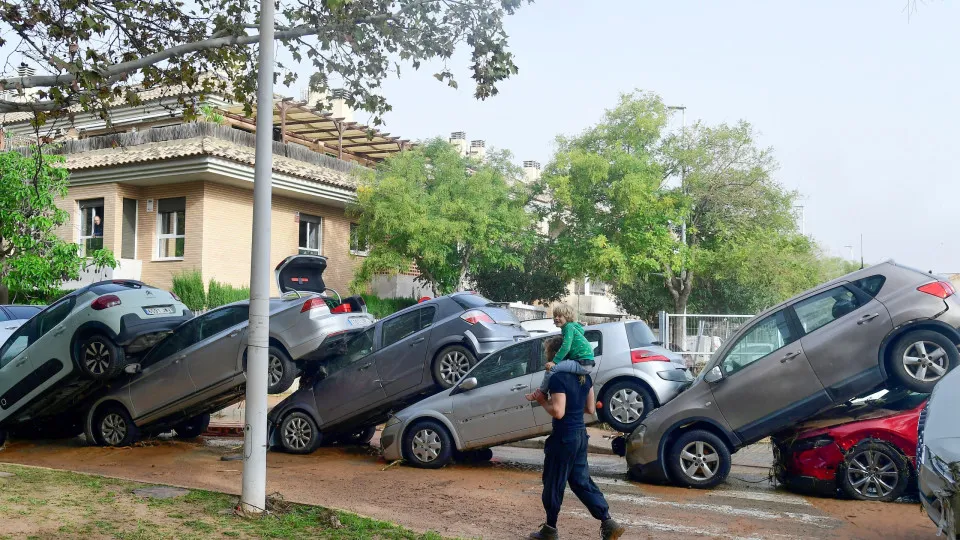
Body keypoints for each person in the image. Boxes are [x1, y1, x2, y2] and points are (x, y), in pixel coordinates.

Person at [528, 336, 625, 540]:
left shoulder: (557, 378)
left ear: (554, 355)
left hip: (564, 437)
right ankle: (607, 521)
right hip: (580, 435)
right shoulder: (585, 378)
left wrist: (541, 401)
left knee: (554, 481)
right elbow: (590, 409)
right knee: (580, 481)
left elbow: (558, 412)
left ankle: (550, 529)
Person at [526, 303, 594, 402]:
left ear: (568, 317)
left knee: (551, 369)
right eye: (555, 316)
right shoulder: (573, 327)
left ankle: (541, 393)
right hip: (587, 362)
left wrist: (554, 362)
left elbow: (566, 347)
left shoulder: (568, 328)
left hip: (582, 362)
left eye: (560, 316)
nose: (556, 318)